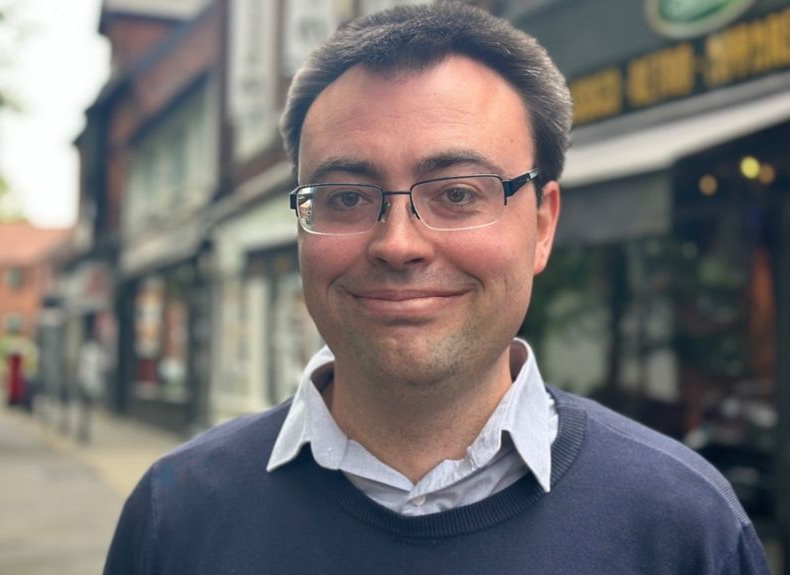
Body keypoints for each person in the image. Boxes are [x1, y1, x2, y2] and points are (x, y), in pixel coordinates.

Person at [103, 3, 770, 574]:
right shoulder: (178, 513)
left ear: (542, 225)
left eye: (457, 193)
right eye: (345, 197)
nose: (398, 243)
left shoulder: (684, 527)